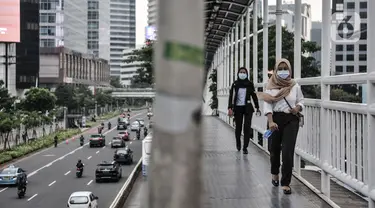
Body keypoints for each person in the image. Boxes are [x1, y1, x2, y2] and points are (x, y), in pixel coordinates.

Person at [257, 58, 304, 195]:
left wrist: (297, 108)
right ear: (276, 71)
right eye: (280, 69)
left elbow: (301, 100)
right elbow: (267, 104)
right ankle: (274, 173)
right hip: (275, 120)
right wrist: (270, 121)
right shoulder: (270, 86)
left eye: (286, 69)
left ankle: (286, 182)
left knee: (288, 151)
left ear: (290, 70)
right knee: (274, 150)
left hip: (291, 120)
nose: (283, 72)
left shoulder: (294, 86)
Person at [227, 67, 260, 154]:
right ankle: (238, 144)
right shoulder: (235, 84)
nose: (242, 73)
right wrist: (230, 107)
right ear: (238, 74)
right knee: (238, 127)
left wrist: (257, 107)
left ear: (247, 74)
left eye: (244, 72)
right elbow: (231, 96)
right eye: (241, 72)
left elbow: (254, 95)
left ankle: (245, 147)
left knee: (247, 127)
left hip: (248, 108)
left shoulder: (249, 84)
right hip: (238, 108)